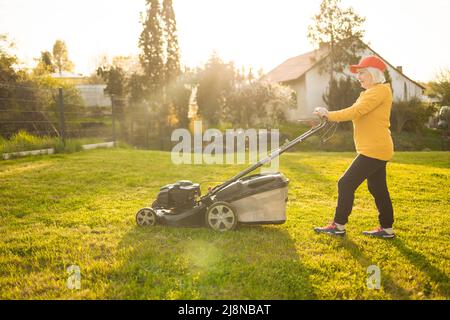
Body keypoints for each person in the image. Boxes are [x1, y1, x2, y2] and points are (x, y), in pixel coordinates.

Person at [313, 55, 395, 239]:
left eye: (362, 73)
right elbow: (355, 110)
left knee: (345, 183)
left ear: (373, 73)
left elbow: (355, 111)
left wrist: (329, 114)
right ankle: (387, 229)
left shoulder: (379, 91)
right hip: (376, 148)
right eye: (358, 74)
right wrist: (330, 115)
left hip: (374, 149)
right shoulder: (370, 92)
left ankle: (338, 226)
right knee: (378, 189)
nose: (358, 77)